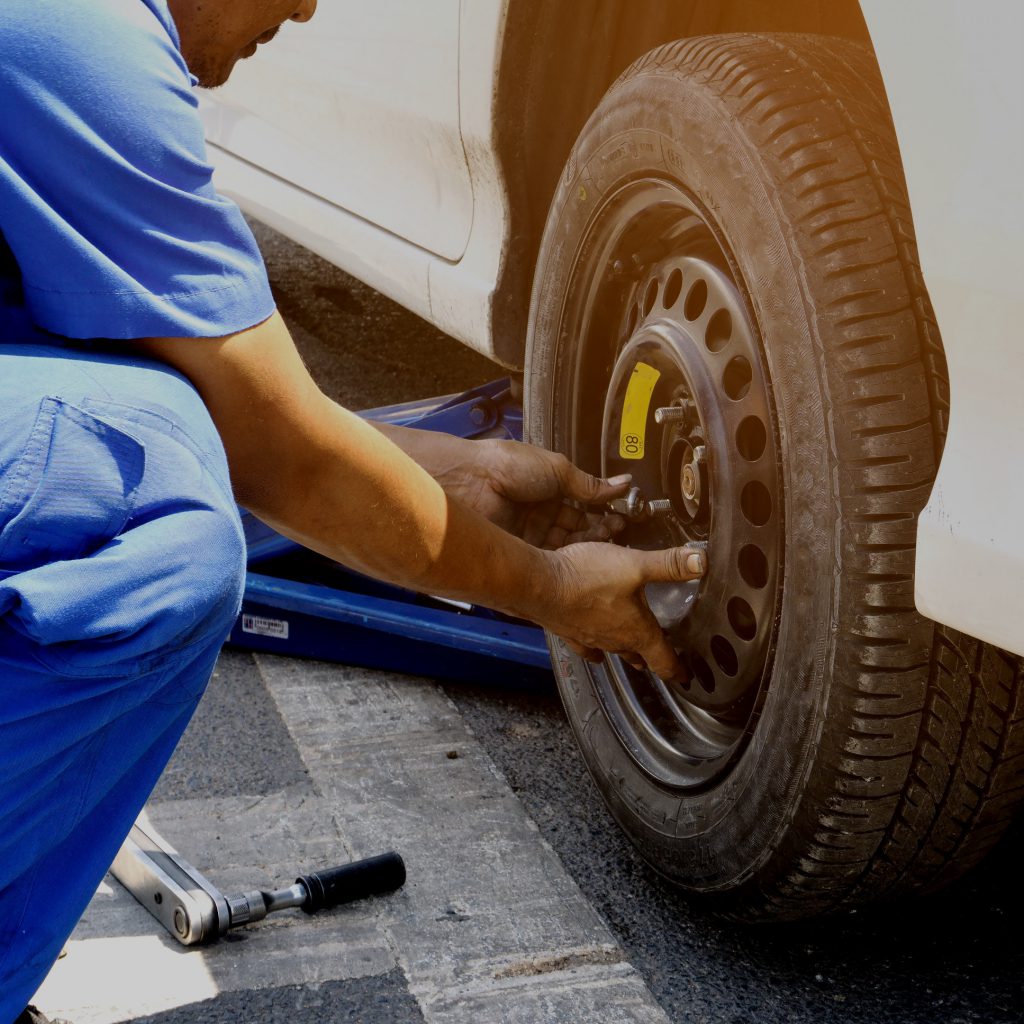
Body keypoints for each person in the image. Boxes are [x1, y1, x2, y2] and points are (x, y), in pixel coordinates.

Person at [0, 1, 706, 1020]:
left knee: (145, 422)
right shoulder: (83, 43)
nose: (306, 5)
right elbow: (283, 458)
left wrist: (445, 475)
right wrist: (549, 589)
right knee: (163, 512)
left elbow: (202, 382)